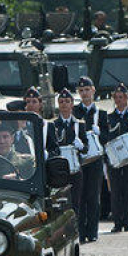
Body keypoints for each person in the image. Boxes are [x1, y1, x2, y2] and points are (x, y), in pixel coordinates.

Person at [74, 76, 109, 243]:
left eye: (87, 90)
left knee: (93, 196)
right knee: (80, 196)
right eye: (81, 91)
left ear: (93, 90)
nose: (84, 93)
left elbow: (108, 137)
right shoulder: (75, 112)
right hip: (80, 159)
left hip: (95, 159)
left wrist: (100, 132)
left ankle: (92, 231)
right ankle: (81, 230)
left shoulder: (101, 114)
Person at [106, 83, 128, 233]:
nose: (119, 100)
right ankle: (117, 221)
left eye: (122, 97)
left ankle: (127, 221)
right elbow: (106, 137)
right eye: (116, 97)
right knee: (115, 190)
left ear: (127, 98)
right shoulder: (109, 117)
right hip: (114, 157)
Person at [54, 89, 88, 229]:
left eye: (67, 101)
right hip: (59, 170)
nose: (64, 104)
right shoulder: (53, 125)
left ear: (72, 104)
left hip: (75, 169)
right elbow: (51, 145)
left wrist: (81, 146)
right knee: (60, 203)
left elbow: (86, 148)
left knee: (75, 202)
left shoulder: (79, 124)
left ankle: (76, 230)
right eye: (61, 102)